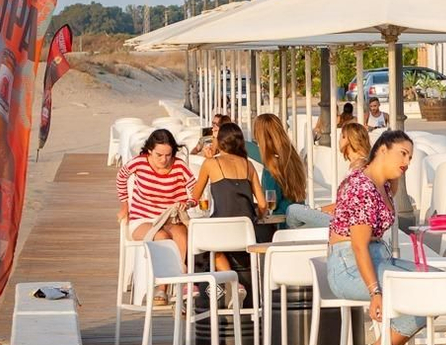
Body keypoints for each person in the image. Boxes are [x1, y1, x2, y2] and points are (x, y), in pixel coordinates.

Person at [327, 130, 422, 345]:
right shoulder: (362, 186)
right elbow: (359, 245)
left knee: (436, 281)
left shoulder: (383, 185)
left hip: (378, 259)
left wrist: (396, 180)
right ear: (381, 150)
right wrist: (375, 292)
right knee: (426, 292)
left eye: (410, 157)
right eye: (403, 153)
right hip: (350, 266)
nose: (407, 162)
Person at [189, 122, 268, 282]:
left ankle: (224, 285)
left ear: (220, 142)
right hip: (246, 231)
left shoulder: (211, 163)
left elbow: (194, 197)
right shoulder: (248, 164)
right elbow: (263, 204)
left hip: (222, 230)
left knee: (200, 242)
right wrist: (258, 216)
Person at [117, 129, 196, 266]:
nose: (164, 159)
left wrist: (189, 203)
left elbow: (196, 191)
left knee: (183, 238)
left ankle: (181, 281)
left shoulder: (179, 165)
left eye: (168, 155)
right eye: (159, 155)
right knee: (162, 237)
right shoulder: (139, 163)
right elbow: (121, 177)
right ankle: (163, 285)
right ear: (149, 150)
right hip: (143, 218)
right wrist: (125, 205)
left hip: (171, 219)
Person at [286, 122, 371, 229]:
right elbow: (344, 203)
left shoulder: (360, 168)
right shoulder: (357, 165)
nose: (338, 141)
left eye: (341, 137)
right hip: (343, 218)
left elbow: (353, 205)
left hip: (346, 223)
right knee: (301, 219)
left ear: (348, 139)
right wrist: (319, 210)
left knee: (293, 210)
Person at [247, 113, 307, 222]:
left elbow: (271, 202)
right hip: (298, 217)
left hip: (280, 222)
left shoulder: (271, 166)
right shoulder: (291, 157)